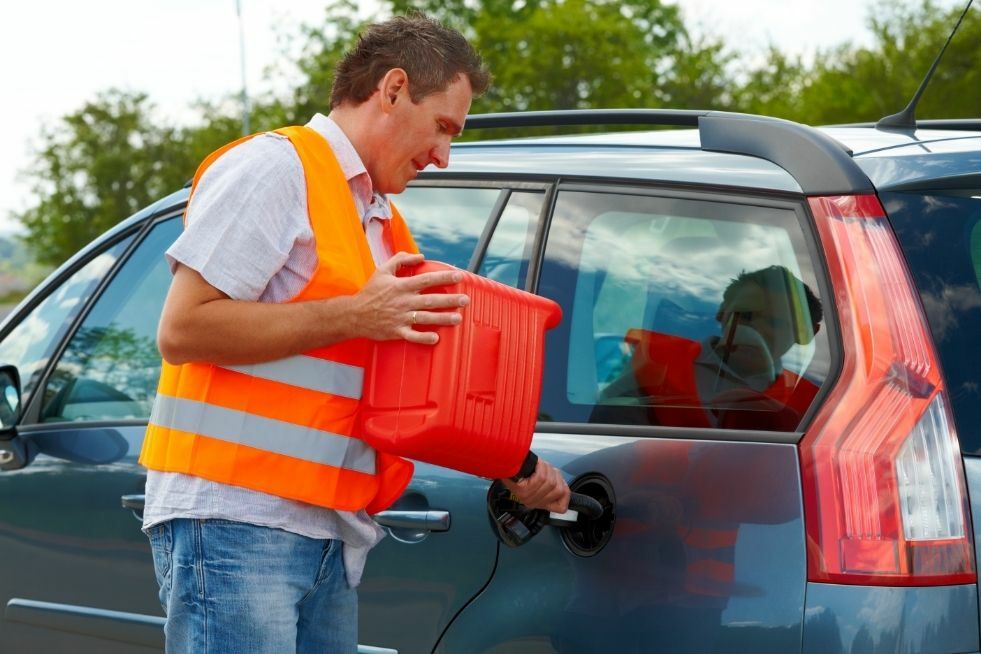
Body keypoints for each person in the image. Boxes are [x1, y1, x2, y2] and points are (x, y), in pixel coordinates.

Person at [139, 15, 569, 653]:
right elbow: (183, 328)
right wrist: (354, 315)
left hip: (330, 532)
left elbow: (409, 394)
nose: (443, 155)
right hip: (236, 520)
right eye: (443, 126)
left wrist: (517, 466)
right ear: (393, 89)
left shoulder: (378, 221)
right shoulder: (275, 169)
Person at [598, 265, 823, 431]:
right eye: (745, 316)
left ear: (807, 334)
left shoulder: (817, 402)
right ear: (722, 314)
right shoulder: (655, 360)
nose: (757, 330)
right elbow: (605, 427)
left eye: (777, 323)